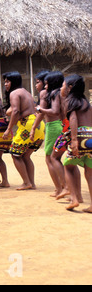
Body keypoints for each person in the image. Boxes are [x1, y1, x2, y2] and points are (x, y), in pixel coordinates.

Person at [2, 71, 45, 190]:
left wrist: (8, 129)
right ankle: (31, 183)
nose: (5, 84)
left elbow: (15, 111)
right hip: (38, 124)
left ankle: (26, 182)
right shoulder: (26, 92)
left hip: (28, 124)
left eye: (7, 81)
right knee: (26, 156)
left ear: (14, 82)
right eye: (4, 81)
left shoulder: (15, 93)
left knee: (15, 154)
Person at [30, 71, 67, 197]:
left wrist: (34, 127)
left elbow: (44, 112)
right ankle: (64, 186)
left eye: (39, 82)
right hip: (59, 125)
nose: (39, 86)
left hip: (53, 126)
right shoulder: (59, 93)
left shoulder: (46, 94)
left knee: (50, 158)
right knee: (57, 158)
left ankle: (60, 188)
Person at [60, 75, 92, 211]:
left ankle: (74, 199)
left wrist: (74, 140)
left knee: (68, 167)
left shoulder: (69, 101)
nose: (61, 88)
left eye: (63, 85)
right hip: (91, 138)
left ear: (70, 88)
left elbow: (73, 118)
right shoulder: (86, 102)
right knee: (89, 172)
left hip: (80, 137)